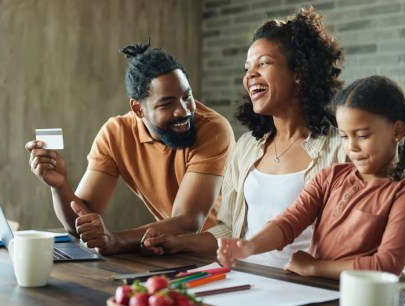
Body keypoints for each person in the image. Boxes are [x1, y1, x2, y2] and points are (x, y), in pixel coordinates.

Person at [141, 6, 346, 269]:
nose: (250, 76)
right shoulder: (248, 146)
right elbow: (230, 229)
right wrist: (180, 242)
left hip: (310, 289)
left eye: (264, 64)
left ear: (299, 73)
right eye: (248, 68)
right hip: (250, 282)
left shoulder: (341, 149)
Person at [25, 39, 235, 255]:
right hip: (171, 252)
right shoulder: (116, 134)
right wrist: (60, 185)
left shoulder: (213, 129)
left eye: (186, 96)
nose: (183, 111)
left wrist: (116, 240)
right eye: (166, 103)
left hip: (223, 252)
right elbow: (82, 225)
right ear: (138, 108)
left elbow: (189, 221)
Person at [216, 75, 405, 279]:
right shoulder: (330, 176)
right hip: (317, 293)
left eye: (362, 135)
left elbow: (386, 265)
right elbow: (290, 221)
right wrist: (250, 246)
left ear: (397, 131)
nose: (351, 146)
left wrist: (314, 268)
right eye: (344, 136)